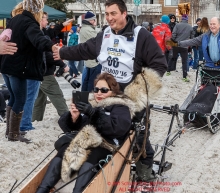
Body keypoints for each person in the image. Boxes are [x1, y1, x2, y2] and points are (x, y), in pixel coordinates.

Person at [52, 0, 166, 185]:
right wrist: (64, 52)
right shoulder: (105, 33)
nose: (109, 18)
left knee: (138, 134)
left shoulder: (141, 35)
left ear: (124, 13)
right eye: (107, 14)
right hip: (103, 92)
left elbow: (159, 64)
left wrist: (139, 91)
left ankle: (145, 169)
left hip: (128, 96)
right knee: (91, 121)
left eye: (113, 13)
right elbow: (85, 49)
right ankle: (89, 160)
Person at [36, 71, 160, 192]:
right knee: (64, 151)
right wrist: (74, 117)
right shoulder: (92, 103)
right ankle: (42, 189)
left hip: (107, 144)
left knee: (91, 156)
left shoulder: (120, 106)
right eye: (96, 89)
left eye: (104, 90)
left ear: (113, 92)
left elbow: (117, 128)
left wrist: (93, 113)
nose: (99, 93)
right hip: (86, 140)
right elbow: (74, 127)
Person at [1, 0, 55, 142]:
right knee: (21, 99)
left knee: (13, 97)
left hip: (7, 65)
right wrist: (51, 46)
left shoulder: (15, 19)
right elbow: (38, 39)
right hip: (17, 67)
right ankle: (14, 134)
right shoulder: (29, 23)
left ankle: (10, 131)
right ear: (37, 11)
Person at [168, 17, 220, 114]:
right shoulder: (205, 36)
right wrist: (178, 43)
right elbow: (192, 41)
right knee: (204, 89)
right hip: (208, 66)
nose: (212, 26)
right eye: (211, 24)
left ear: (219, 25)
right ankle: (201, 108)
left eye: (214, 24)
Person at [32, 12, 69, 122]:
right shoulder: (38, 34)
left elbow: (51, 32)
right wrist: (62, 64)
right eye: (45, 19)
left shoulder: (39, 32)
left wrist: (62, 25)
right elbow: (46, 55)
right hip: (44, 73)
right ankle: (68, 121)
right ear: (39, 20)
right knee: (58, 97)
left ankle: (34, 122)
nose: (47, 22)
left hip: (38, 73)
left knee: (39, 100)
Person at [166, 14, 194, 82]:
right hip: (184, 46)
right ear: (187, 19)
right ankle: (184, 76)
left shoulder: (177, 25)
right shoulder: (190, 27)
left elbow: (173, 34)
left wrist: (173, 41)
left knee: (172, 58)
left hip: (176, 45)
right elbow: (192, 38)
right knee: (184, 61)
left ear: (182, 19)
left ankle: (168, 71)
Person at [80, 11, 102, 92]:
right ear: (91, 20)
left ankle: (84, 96)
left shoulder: (85, 28)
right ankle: (89, 97)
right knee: (92, 82)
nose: (95, 22)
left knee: (86, 80)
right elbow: (99, 40)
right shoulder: (88, 30)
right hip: (93, 60)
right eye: (94, 20)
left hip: (88, 59)